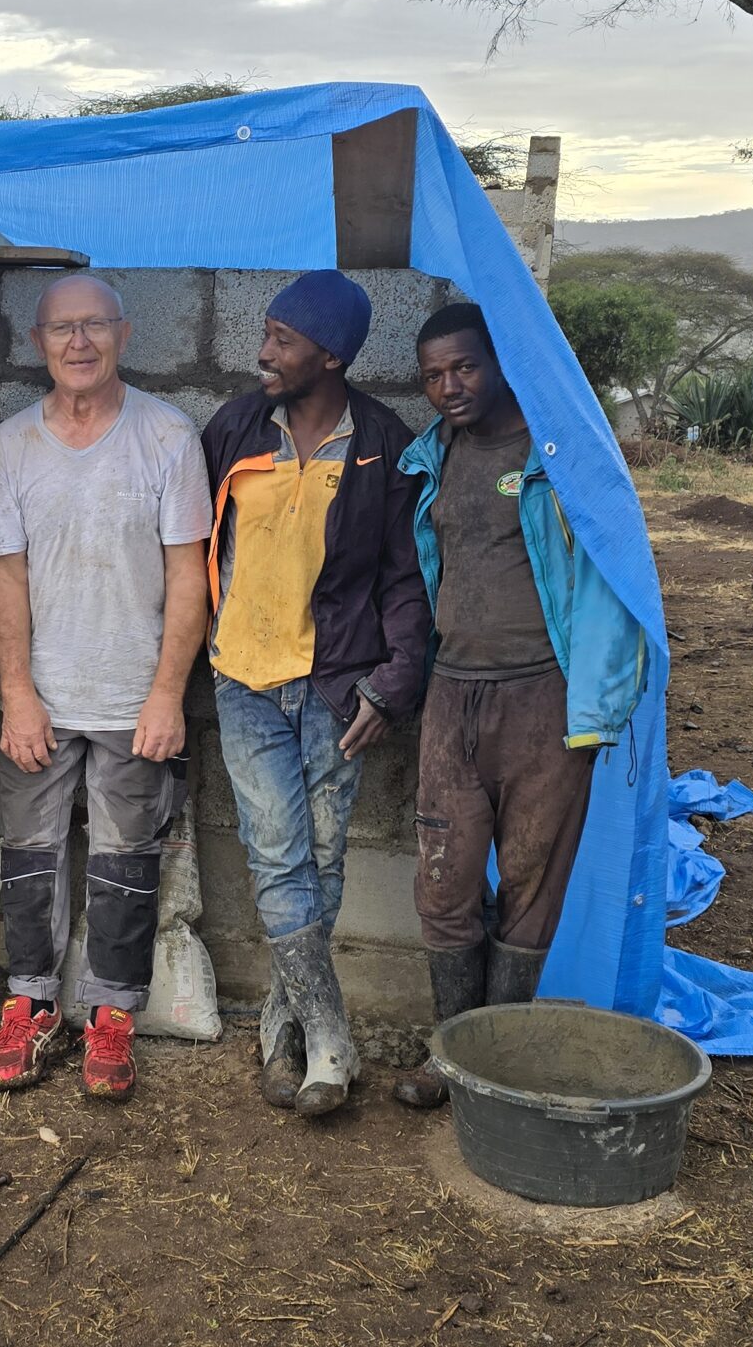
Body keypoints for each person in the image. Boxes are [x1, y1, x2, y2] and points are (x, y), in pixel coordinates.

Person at [391, 301, 644, 1109]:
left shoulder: (555, 457)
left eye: (465, 367)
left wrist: (597, 705)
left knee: (531, 884)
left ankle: (493, 1066)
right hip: (452, 694)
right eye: (433, 375)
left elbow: (614, 580)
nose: (449, 387)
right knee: (445, 882)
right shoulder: (431, 456)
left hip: (544, 698)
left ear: (500, 362)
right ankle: (453, 1051)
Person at [200, 269, 429, 1118]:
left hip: (336, 687)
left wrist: (393, 684)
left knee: (322, 861)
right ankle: (331, 1034)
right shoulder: (235, 428)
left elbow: (406, 578)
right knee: (275, 852)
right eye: (266, 332)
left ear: (331, 356)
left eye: (282, 339)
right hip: (243, 679)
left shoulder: (382, 445)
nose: (263, 351)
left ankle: (281, 1032)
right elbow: (194, 547)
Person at [0, 274, 211, 1100]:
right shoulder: (11, 444)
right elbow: (5, 575)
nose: (79, 342)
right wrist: (16, 693)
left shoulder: (168, 435)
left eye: (95, 325)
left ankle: (111, 1017)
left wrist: (167, 693)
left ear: (125, 333)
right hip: (42, 695)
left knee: (125, 862)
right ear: (37, 342)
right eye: (61, 329)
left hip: (132, 696)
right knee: (27, 856)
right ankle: (31, 1007)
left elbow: (189, 575)